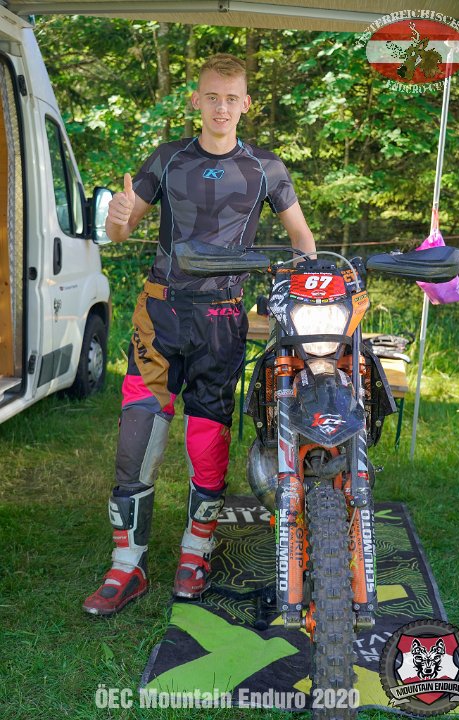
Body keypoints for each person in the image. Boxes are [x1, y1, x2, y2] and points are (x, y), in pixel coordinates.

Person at [83, 53, 316, 616]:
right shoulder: (167, 159)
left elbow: (302, 239)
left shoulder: (266, 168)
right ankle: (126, 566)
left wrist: (311, 286)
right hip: (160, 315)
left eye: (231, 98)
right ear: (196, 100)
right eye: (212, 96)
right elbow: (121, 230)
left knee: (206, 439)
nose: (221, 107)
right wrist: (116, 216)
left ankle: (196, 554)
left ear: (246, 104)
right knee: (138, 437)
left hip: (222, 318)